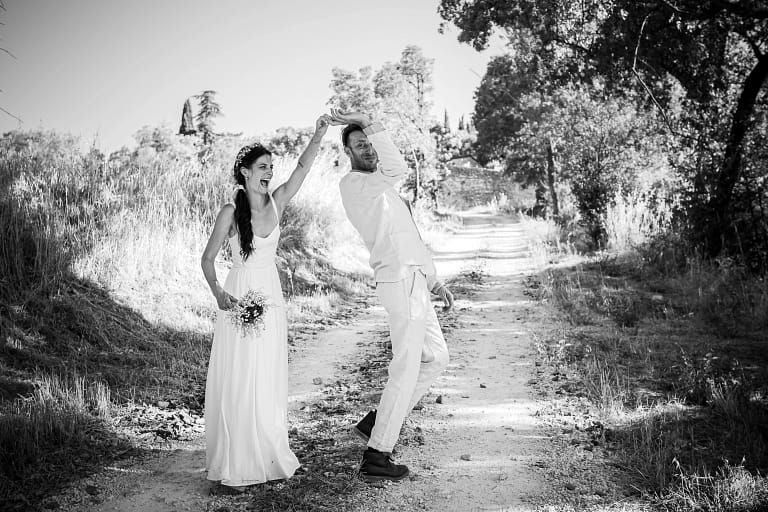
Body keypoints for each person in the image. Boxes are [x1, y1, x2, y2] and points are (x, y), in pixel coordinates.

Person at [201, 114, 331, 490]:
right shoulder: (230, 212)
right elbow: (207, 259)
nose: (269, 173)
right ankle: (236, 460)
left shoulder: (277, 203)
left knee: (266, 374)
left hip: (270, 296)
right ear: (244, 172)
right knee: (241, 376)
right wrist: (219, 294)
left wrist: (318, 134)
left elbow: (303, 168)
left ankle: (268, 452)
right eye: (262, 167)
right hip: (239, 295)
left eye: (271, 167)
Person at [331, 109, 454, 482]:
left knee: (438, 359)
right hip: (398, 284)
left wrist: (434, 280)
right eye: (360, 143)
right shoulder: (354, 185)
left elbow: (410, 239)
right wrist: (368, 120)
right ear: (348, 152)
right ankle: (377, 456)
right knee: (407, 366)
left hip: (416, 282)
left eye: (370, 142)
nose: (368, 148)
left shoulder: (387, 190)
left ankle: (379, 421)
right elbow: (396, 166)